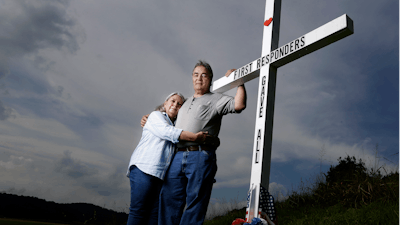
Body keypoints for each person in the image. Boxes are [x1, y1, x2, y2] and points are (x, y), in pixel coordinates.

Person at [142, 61, 246, 225]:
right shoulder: (185, 103)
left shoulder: (216, 99)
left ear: (210, 79)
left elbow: (239, 105)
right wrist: (149, 120)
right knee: (168, 199)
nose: (199, 78)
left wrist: (239, 82)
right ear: (192, 78)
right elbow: (167, 121)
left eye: (204, 75)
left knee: (196, 202)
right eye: (196, 74)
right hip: (176, 156)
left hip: (200, 155)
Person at [126, 92, 217, 225]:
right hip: (143, 168)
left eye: (179, 104)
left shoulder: (175, 126)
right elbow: (166, 132)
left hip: (159, 175)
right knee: (138, 210)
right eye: (173, 101)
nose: (175, 105)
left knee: (154, 214)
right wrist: (195, 137)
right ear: (165, 104)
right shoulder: (156, 116)